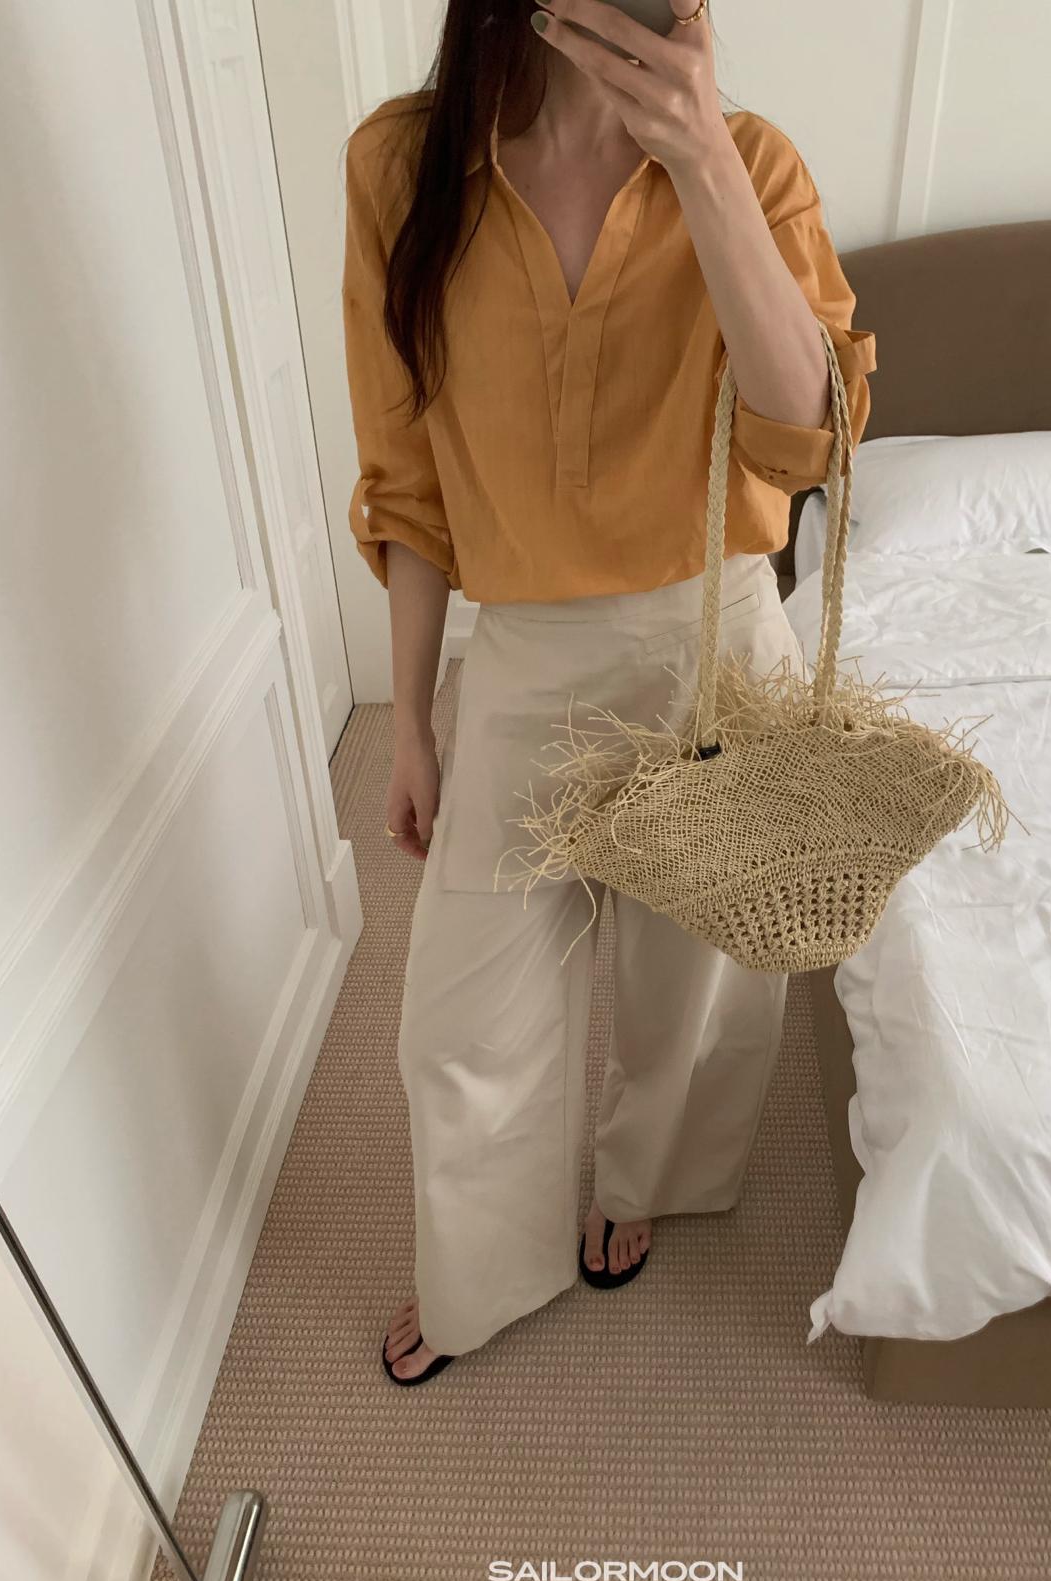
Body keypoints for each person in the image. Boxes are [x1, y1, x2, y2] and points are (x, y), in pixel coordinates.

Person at [341, 0, 876, 1385]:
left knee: (688, 990)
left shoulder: (753, 164)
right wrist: (412, 721)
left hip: (714, 639)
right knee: (461, 1025)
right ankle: (481, 1272)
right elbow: (406, 481)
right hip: (524, 652)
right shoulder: (401, 167)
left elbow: (807, 442)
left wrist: (700, 161)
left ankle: (646, 1186)